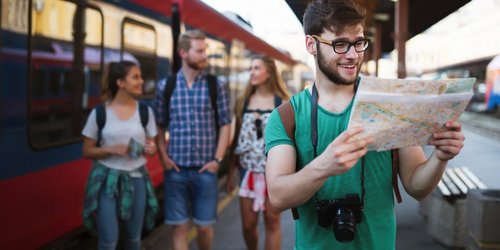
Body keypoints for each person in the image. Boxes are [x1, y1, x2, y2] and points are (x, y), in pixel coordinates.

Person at [264, 0, 466, 249]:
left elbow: (416, 186)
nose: (353, 54)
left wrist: (440, 157)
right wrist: (324, 166)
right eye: (340, 44)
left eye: (358, 42)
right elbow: (277, 196)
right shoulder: (286, 116)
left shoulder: (389, 103)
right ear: (311, 44)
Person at [154, 29, 231, 250]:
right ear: (183, 53)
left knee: (204, 228)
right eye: (199, 51)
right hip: (175, 170)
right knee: (178, 228)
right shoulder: (165, 87)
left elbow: (225, 123)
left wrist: (217, 159)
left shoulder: (215, 86)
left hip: (205, 171)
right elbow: (159, 125)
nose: (204, 55)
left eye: (205, 50)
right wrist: (163, 158)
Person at [81, 61, 159, 250]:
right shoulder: (100, 113)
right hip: (107, 179)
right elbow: (87, 151)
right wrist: (110, 149)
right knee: (108, 240)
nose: (141, 81)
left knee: (133, 238)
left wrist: (151, 148)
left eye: (140, 77)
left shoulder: (145, 112)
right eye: (135, 77)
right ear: (120, 83)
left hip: (137, 177)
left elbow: (152, 146)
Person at [226, 55, 290, 250]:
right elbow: (236, 140)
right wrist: (230, 173)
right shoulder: (243, 102)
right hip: (248, 172)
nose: (251, 72)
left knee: (272, 222)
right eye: (250, 68)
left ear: (269, 73)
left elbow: (290, 140)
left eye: (256, 68)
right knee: (248, 225)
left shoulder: (282, 102)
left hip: (274, 172)